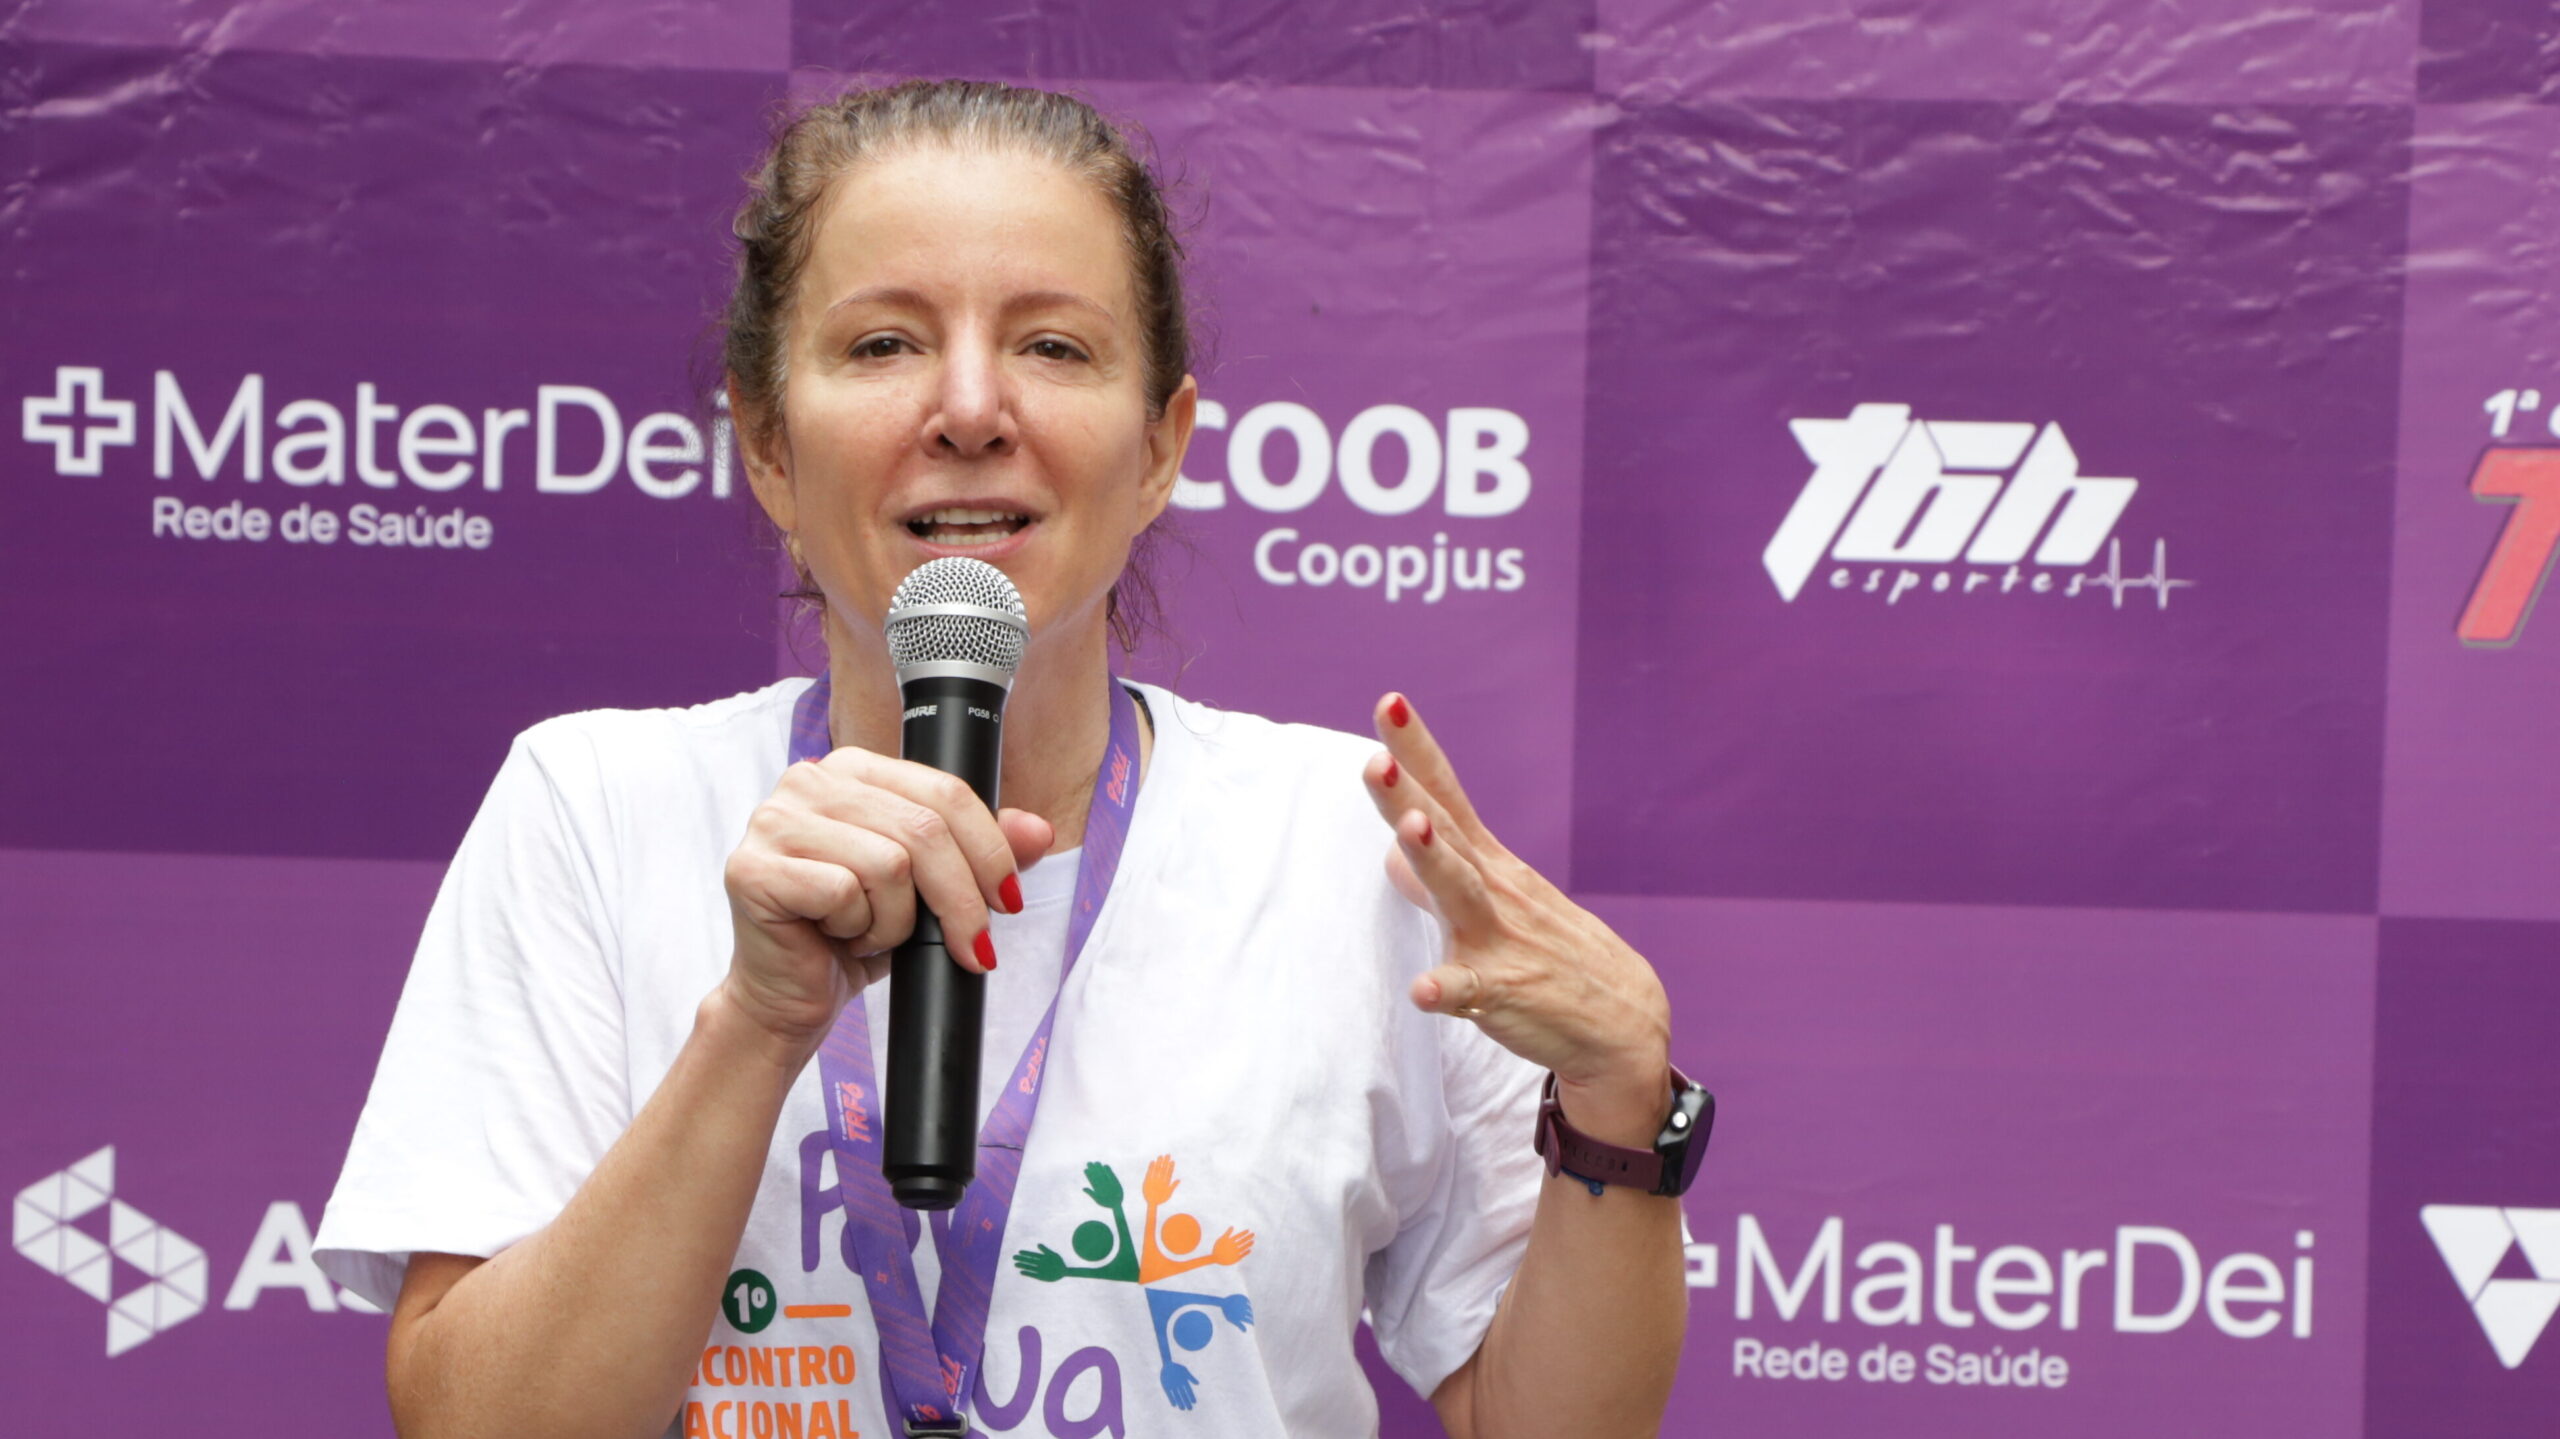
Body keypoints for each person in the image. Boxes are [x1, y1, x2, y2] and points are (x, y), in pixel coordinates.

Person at [315, 79, 1693, 1439]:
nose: (971, 408)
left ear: (1160, 447)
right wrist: (755, 1027)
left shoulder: (1345, 848)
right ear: (766, 447)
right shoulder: (598, 811)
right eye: (881, 347)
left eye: (1052, 347)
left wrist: (1622, 1100)